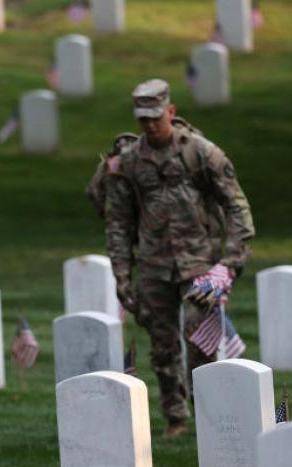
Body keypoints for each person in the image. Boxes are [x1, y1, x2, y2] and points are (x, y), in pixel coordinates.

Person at [102, 79, 255, 436]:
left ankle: (209, 416)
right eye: (143, 118)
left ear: (170, 111)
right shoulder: (128, 163)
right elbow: (119, 225)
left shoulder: (201, 152)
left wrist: (230, 263)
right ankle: (176, 417)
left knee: (198, 337)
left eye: (156, 116)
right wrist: (122, 276)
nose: (150, 124)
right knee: (162, 345)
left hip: (199, 264)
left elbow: (237, 207)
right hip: (154, 265)